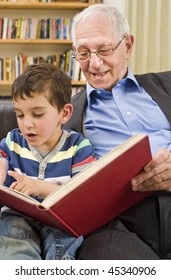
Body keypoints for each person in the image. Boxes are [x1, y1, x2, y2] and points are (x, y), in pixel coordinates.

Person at [63, 4, 171, 259]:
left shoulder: (167, 85)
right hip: (119, 225)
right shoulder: (64, 115)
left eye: (104, 49)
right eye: (84, 52)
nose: (94, 63)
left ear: (128, 46)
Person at [0, 63, 96, 260]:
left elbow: (83, 197)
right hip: (17, 218)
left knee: (62, 253)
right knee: (13, 247)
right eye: (20, 114)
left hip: (61, 222)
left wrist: (39, 187)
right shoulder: (12, 141)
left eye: (37, 114)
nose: (27, 123)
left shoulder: (78, 147)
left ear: (65, 113)